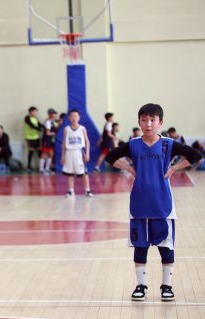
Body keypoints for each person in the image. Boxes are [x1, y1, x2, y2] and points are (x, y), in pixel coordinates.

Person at [105, 103, 203, 302]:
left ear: (160, 123)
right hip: (139, 203)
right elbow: (110, 156)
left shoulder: (168, 144)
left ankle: (167, 286)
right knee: (140, 246)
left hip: (162, 204)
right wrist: (130, 169)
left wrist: (174, 168)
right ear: (139, 122)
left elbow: (196, 155)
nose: (148, 124)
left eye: (152, 120)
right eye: (144, 120)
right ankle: (141, 286)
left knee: (165, 247)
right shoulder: (133, 144)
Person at [61, 109, 93, 198]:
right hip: (69, 152)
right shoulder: (66, 129)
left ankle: (87, 190)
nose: (73, 118)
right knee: (70, 173)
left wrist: (87, 153)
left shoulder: (82, 128)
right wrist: (63, 156)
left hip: (79, 152)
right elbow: (64, 143)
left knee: (84, 173)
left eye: (75, 116)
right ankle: (71, 191)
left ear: (79, 117)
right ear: (69, 118)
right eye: (72, 116)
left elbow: (87, 141)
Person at [39, 109, 59, 174]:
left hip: (51, 140)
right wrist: (55, 133)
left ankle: (47, 168)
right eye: (52, 113)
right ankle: (41, 169)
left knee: (51, 154)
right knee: (44, 154)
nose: (53, 115)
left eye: (54, 113)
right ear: (49, 114)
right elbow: (47, 133)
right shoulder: (48, 122)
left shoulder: (54, 122)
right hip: (46, 140)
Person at [24, 106, 43, 171]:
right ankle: (29, 166)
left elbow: (39, 124)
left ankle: (41, 166)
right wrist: (38, 129)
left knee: (39, 151)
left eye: (36, 112)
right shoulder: (27, 118)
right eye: (35, 112)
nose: (36, 113)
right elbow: (31, 125)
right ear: (31, 112)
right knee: (31, 151)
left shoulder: (35, 118)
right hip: (30, 137)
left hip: (36, 137)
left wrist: (45, 127)